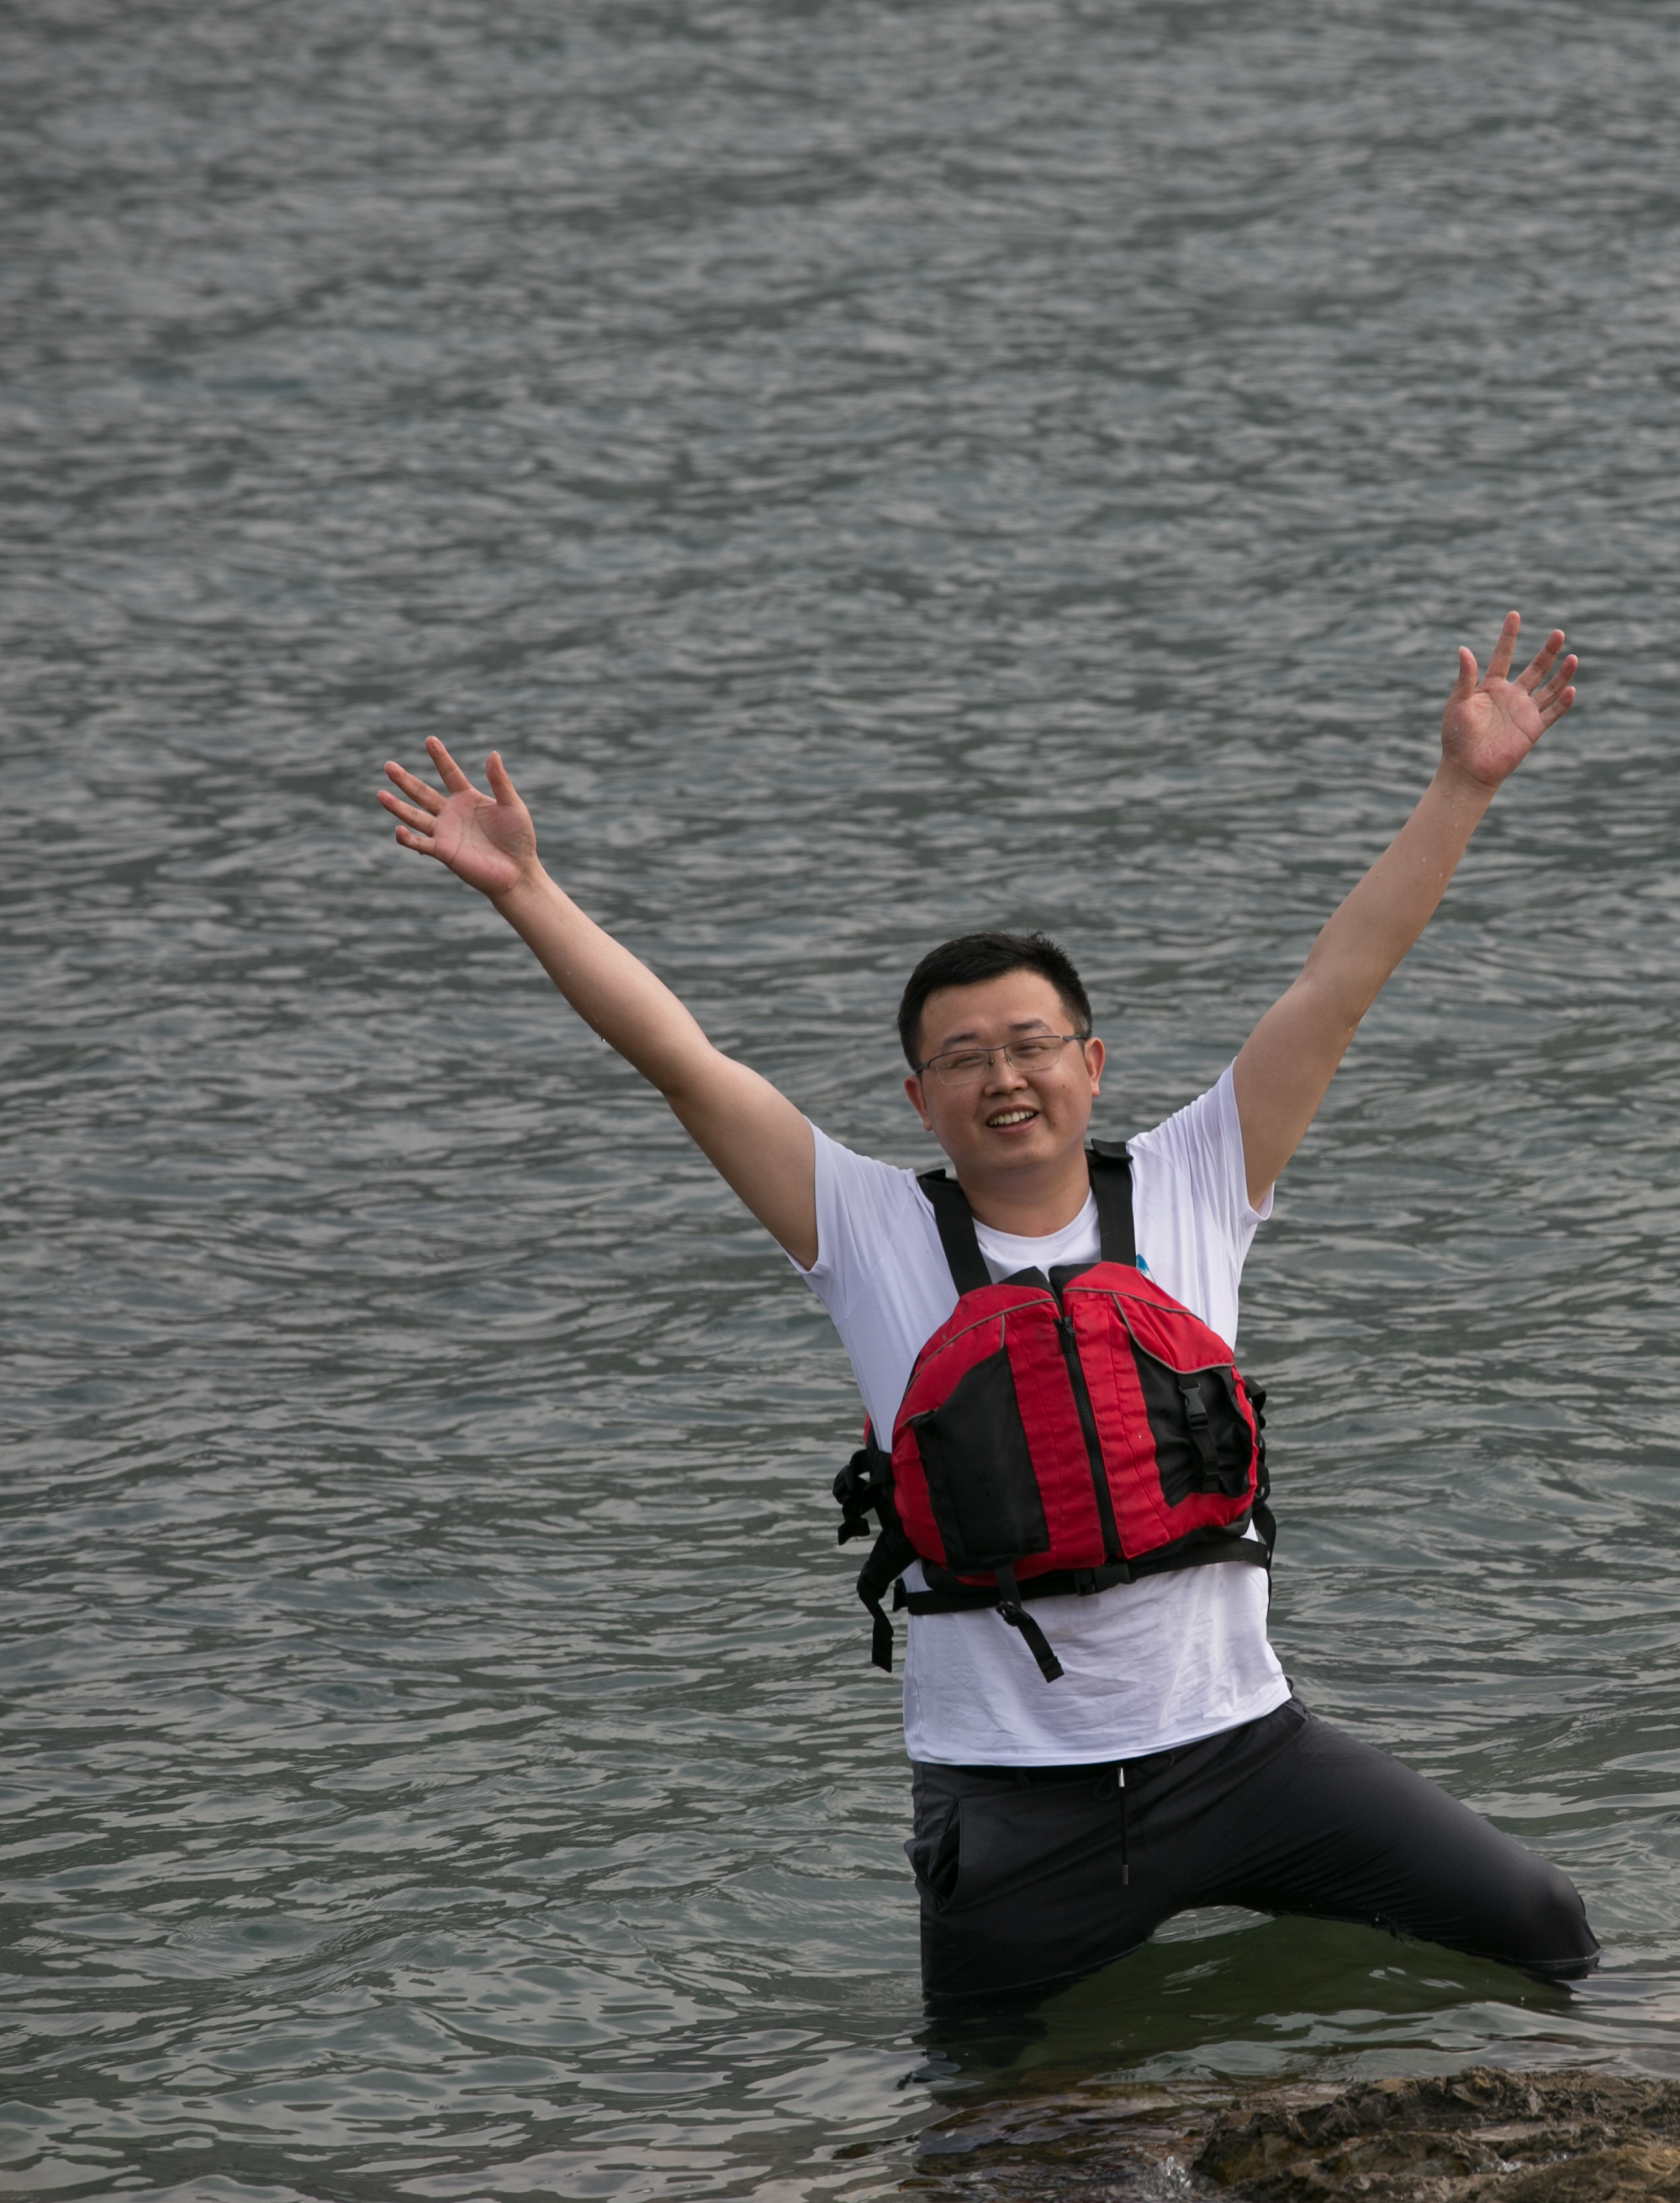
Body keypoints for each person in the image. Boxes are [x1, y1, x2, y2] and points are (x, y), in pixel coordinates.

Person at [375, 613, 1598, 2010]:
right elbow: (682, 1060)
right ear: (919, 1099)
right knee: (990, 2108)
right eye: (962, 1059)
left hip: (1246, 1756)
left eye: (1031, 1046)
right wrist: (526, 890)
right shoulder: (865, 1232)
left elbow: (1341, 982)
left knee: (1540, 1923)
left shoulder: (1201, 1176)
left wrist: (1462, 785)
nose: (1003, 1078)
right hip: (1016, 1802)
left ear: (1092, 1061)